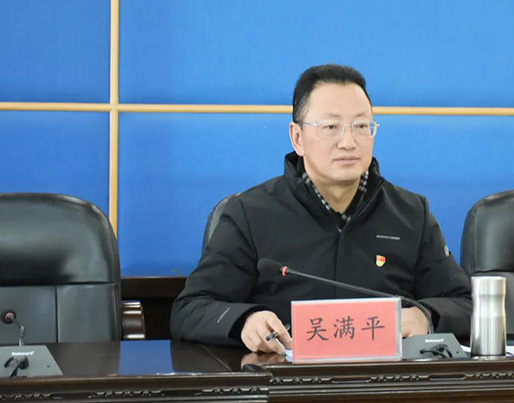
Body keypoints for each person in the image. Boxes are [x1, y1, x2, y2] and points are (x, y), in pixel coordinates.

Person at [171, 64, 471, 354]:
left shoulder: (411, 213)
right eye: (331, 127)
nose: (348, 142)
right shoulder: (249, 213)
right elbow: (190, 309)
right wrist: (245, 322)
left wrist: (426, 316)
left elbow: (466, 305)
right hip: (285, 380)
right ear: (297, 137)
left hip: (385, 380)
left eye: (361, 126)